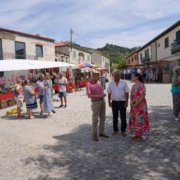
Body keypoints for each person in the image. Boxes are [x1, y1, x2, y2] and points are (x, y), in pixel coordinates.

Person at [86, 69, 109, 141]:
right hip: (95, 102)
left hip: (102, 101)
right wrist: (99, 96)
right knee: (95, 118)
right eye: (97, 75)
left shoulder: (98, 82)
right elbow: (89, 95)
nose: (99, 77)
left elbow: (101, 91)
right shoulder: (89, 84)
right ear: (93, 76)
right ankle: (94, 134)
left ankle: (101, 132)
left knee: (102, 117)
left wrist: (103, 94)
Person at [107, 69, 129, 137]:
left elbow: (127, 93)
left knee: (123, 117)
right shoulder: (111, 83)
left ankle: (123, 130)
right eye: (114, 75)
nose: (115, 76)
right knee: (115, 116)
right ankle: (115, 129)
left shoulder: (124, 83)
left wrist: (126, 102)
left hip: (122, 102)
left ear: (119, 75)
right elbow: (109, 93)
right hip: (114, 102)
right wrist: (109, 102)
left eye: (116, 75)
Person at [128, 72, 149, 142]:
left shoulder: (142, 86)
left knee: (140, 119)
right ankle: (136, 133)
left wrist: (136, 104)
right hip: (134, 105)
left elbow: (142, 97)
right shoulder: (133, 86)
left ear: (137, 77)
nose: (132, 77)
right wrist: (131, 101)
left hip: (140, 105)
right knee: (135, 119)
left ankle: (140, 135)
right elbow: (131, 95)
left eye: (133, 76)